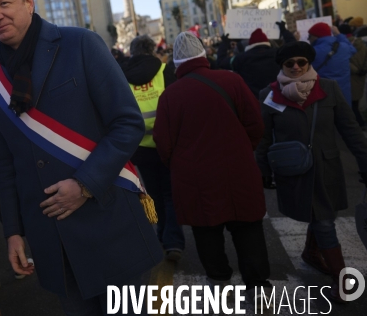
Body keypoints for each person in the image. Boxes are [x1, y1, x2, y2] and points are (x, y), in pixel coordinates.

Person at [0, 0, 163, 315]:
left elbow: (127, 124)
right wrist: (14, 231)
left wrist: (84, 185)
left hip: (107, 221)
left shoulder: (80, 44)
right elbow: (4, 163)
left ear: (29, 2)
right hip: (53, 241)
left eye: (4, 3)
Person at [153, 32, 272, 299]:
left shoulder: (171, 95)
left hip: (195, 178)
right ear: (203, 56)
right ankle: (258, 288)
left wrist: (180, 164)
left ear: (176, 63)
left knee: (206, 231)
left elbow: (164, 143)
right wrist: (242, 150)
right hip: (238, 170)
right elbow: (256, 124)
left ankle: (219, 281)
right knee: (248, 228)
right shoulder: (232, 80)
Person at [256, 41, 367, 303]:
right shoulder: (269, 94)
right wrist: (262, 169)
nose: (296, 67)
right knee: (321, 219)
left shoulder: (328, 88)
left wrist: (364, 162)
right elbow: (262, 138)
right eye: (289, 63)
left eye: (301, 62)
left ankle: (312, 253)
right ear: (281, 66)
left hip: (326, 169)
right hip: (293, 170)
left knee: (321, 218)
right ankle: (341, 282)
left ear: (309, 63)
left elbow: (350, 131)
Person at [120, 35, 185, 261]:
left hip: (139, 146)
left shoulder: (121, 76)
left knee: (154, 194)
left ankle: (161, 235)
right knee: (170, 193)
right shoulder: (165, 71)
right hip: (167, 144)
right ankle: (173, 241)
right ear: (152, 50)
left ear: (132, 52)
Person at [308, 22, 356, 104]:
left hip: (324, 95)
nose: (308, 39)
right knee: (345, 115)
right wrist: (338, 34)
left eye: (310, 36)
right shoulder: (344, 47)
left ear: (316, 36)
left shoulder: (313, 52)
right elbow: (353, 49)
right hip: (344, 93)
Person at [228, 28, 280, 99]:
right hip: (276, 98)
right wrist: (283, 31)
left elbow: (221, 62)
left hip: (252, 99)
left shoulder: (241, 58)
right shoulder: (278, 54)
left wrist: (225, 42)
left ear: (251, 44)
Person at [339, 23, 367, 128]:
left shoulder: (342, 45)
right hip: (361, 77)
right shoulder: (361, 43)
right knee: (355, 103)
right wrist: (363, 70)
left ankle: (359, 124)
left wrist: (355, 70)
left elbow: (345, 61)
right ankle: (360, 123)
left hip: (350, 77)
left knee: (351, 104)